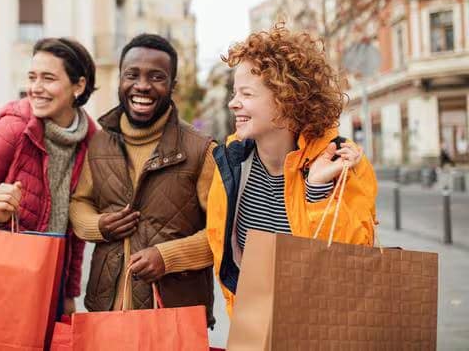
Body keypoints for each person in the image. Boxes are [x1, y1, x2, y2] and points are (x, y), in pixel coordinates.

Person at [206, 25, 378, 315]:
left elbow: (354, 261)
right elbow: (225, 254)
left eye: (246, 94)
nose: (233, 103)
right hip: (255, 324)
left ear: (287, 100)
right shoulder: (232, 164)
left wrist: (319, 192)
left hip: (323, 328)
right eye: (234, 93)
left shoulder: (342, 160)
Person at [69, 34, 216, 326]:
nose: (142, 85)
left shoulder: (202, 150)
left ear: (172, 86)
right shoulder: (99, 142)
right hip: (106, 308)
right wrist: (97, 226)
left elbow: (221, 234)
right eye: (132, 75)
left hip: (174, 316)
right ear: (120, 80)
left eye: (157, 77)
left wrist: (167, 256)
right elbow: (79, 202)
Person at [0, 37, 97, 315]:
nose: (36, 88)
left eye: (48, 78)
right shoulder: (10, 131)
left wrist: (69, 294)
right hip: (0, 283)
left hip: (51, 287)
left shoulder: (91, 142)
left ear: (79, 85)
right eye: (32, 77)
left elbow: (73, 232)